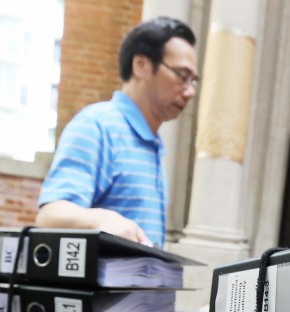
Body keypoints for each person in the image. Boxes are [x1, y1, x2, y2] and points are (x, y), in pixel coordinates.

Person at [36, 17, 200, 247]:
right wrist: (102, 219)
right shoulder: (96, 126)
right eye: (182, 76)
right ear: (141, 65)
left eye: (194, 81)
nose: (189, 91)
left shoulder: (153, 143)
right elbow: (50, 216)